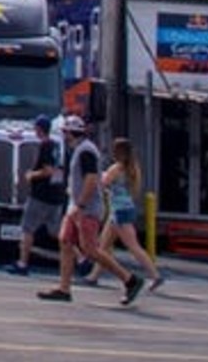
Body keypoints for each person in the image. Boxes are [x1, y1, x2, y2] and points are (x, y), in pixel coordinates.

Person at [38, 117, 140, 305]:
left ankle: (130, 280)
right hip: (76, 206)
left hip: (86, 208)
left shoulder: (86, 151)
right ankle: (64, 288)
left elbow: (91, 180)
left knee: (90, 250)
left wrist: (81, 206)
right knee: (65, 241)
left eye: (64, 132)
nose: (63, 136)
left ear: (70, 133)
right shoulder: (80, 149)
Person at [100, 135, 164, 293]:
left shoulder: (117, 168)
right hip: (123, 208)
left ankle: (155, 275)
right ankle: (94, 275)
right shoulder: (133, 167)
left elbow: (105, 183)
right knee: (103, 246)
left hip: (120, 211)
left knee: (133, 247)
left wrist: (101, 174)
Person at [5, 114, 64, 276]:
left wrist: (32, 175)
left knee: (27, 228)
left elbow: (48, 170)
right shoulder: (56, 146)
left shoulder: (45, 146)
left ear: (39, 129)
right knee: (57, 232)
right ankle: (80, 259)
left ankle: (22, 263)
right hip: (55, 195)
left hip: (41, 195)